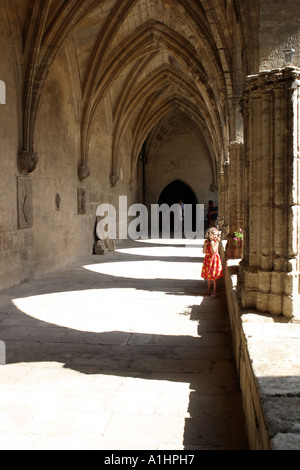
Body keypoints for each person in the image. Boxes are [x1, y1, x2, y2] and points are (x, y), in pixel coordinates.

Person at [201, 227, 223, 297]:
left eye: (216, 234)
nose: (215, 236)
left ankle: (214, 291)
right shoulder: (207, 242)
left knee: (214, 277)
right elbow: (204, 252)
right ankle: (208, 289)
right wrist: (205, 245)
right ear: (210, 235)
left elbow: (213, 252)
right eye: (214, 234)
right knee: (208, 276)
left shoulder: (216, 242)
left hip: (214, 260)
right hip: (208, 259)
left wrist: (211, 244)